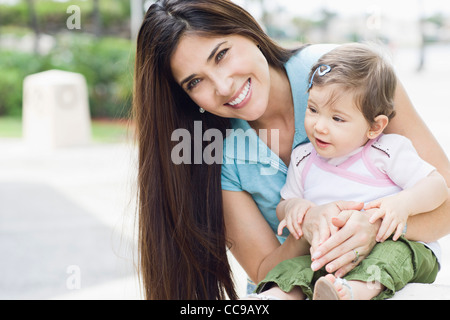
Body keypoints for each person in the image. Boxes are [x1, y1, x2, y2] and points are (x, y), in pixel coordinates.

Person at [133, 0, 450, 300]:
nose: (223, 86)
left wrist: (375, 227)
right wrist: (309, 226)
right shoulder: (214, 154)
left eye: (221, 55)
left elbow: (445, 202)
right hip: (306, 280)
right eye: (194, 82)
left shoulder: (353, 75)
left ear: (248, 31)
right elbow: (263, 270)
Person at [248, 43, 448, 300]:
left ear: (374, 127)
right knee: (294, 267)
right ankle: (275, 296)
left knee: (388, 258)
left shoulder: (386, 152)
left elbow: (437, 185)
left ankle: (352, 293)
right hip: (334, 254)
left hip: (401, 246)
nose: (319, 126)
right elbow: (286, 201)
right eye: (312, 110)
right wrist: (295, 209)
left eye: (337, 119)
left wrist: (402, 205)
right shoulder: (303, 157)